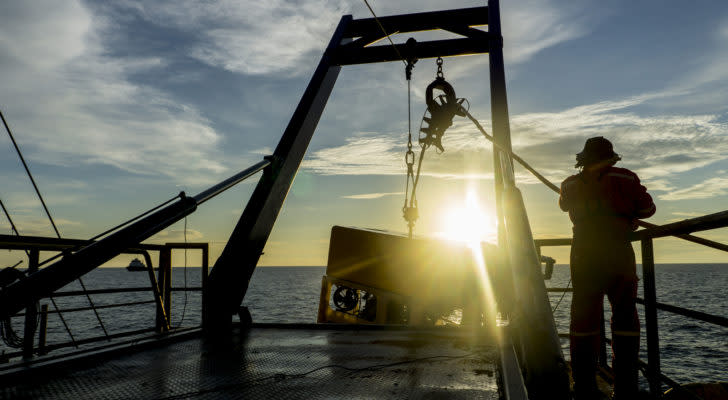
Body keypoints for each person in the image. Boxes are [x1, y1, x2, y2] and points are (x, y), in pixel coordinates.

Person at [559, 136, 656, 400]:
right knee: (625, 318)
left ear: (583, 159)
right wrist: (627, 215)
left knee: (583, 320)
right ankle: (625, 388)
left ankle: (584, 387)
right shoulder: (626, 178)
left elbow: (564, 205)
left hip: (583, 257)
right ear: (612, 157)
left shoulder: (569, 183)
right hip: (618, 255)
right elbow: (648, 209)